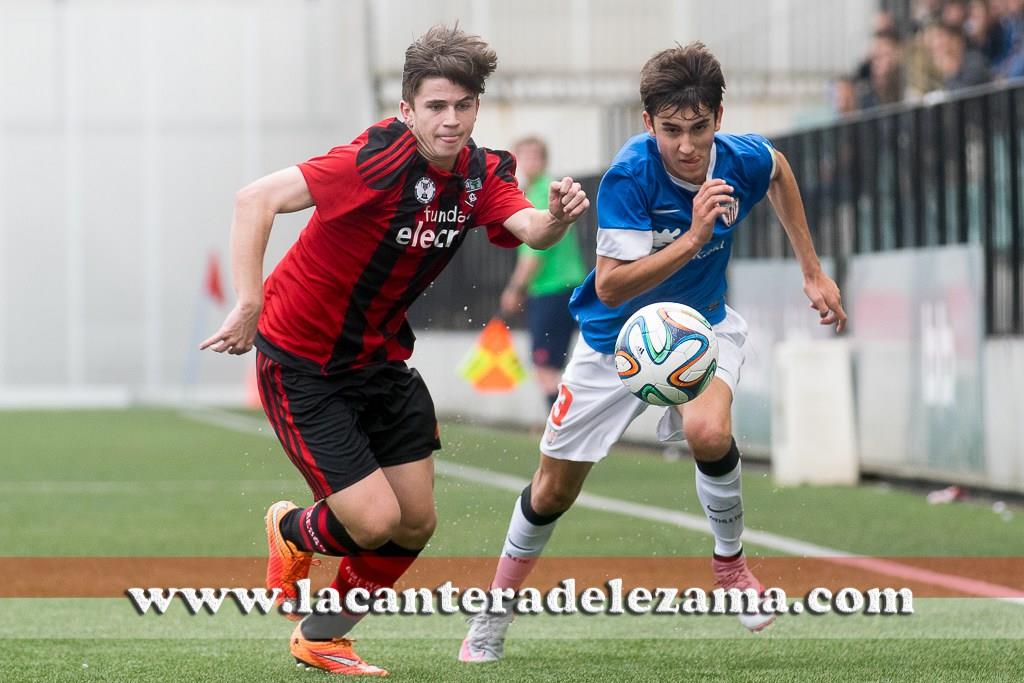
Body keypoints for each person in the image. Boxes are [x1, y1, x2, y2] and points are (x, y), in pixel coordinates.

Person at [200, 24, 589, 676]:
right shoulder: (374, 159)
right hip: (304, 361)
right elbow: (255, 199)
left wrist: (557, 218)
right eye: (435, 106)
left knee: (415, 522)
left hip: (382, 362)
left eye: (463, 106)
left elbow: (530, 229)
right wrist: (249, 301)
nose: (451, 119)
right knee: (374, 518)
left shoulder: (482, 172)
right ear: (407, 109)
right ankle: (292, 528)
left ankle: (321, 635)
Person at [459, 42, 846, 663]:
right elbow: (612, 283)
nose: (686, 146)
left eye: (698, 128)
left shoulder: (739, 158)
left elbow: (779, 170)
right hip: (616, 343)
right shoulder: (630, 175)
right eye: (671, 131)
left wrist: (812, 270)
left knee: (708, 428)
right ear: (649, 124)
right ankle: (494, 612)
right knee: (553, 489)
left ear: (719, 117)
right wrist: (695, 237)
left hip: (702, 329)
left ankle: (731, 570)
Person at [500, 136, 588, 411]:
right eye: (523, 156)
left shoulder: (540, 194)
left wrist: (515, 289)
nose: (528, 162)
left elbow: (534, 253)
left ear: (544, 159)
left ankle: (560, 428)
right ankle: (567, 424)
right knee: (569, 364)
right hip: (572, 286)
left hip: (550, 290)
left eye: (533, 156)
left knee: (545, 367)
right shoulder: (548, 189)